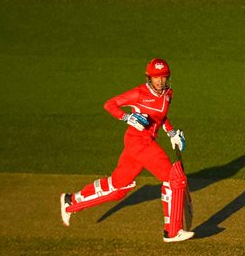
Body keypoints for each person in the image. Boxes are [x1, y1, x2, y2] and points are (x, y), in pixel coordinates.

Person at [59, 58, 194, 243]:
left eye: (163, 77)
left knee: (118, 187)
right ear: (149, 77)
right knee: (174, 178)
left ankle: (70, 201)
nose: (160, 81)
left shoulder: (168, 94)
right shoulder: (138, 93)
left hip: (142, 143)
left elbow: (161, 116)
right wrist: (127, 117)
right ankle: (172, 232)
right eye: (156, 77)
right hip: (139, 142)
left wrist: (171, 132)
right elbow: (110, 104)